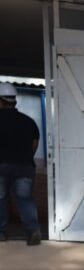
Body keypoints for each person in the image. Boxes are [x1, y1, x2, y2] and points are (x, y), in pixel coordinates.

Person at [0, 82, 41, 245]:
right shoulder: (29, 122)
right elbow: (35, 143)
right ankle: (33, 231)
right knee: (25, 199)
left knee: (0, 198)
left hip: (1, 166)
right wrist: (25, 157)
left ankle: (0, 232)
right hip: (25, 166)